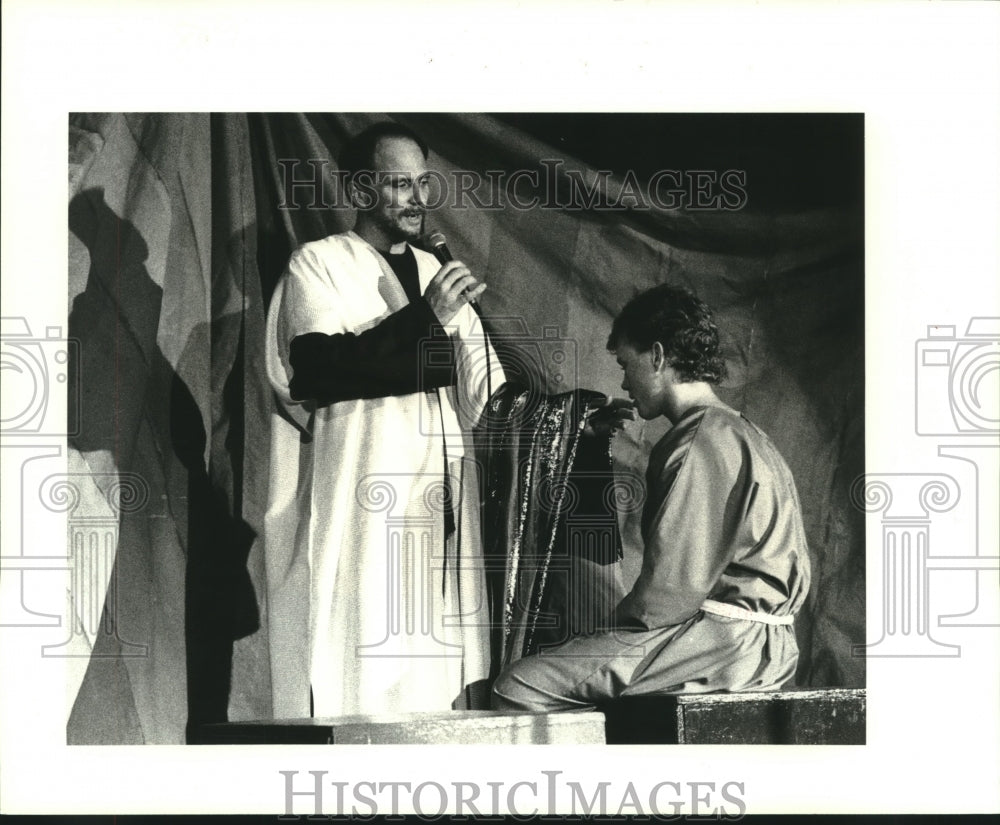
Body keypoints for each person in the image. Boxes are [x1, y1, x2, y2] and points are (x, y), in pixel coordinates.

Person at [264, 122, 504, 717]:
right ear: (359, 187)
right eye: (400, 183)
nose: (418, 198)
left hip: (438, 498)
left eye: (423, 183)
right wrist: (428, 317)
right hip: (364, 495)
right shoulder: (317, 264)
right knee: (367, 648)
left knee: (436, 647)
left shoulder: (435, 272)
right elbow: (318, 371)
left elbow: (486, 391)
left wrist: (561, 417)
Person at [492, 284, 811, 711]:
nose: (623, 380)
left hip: (724, 647)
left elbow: (668, 596)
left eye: (626, 363)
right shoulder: (743, 430)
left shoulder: (699, 438)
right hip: (766, 646)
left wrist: (604, 634)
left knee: (515, 687)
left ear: (658, 356)